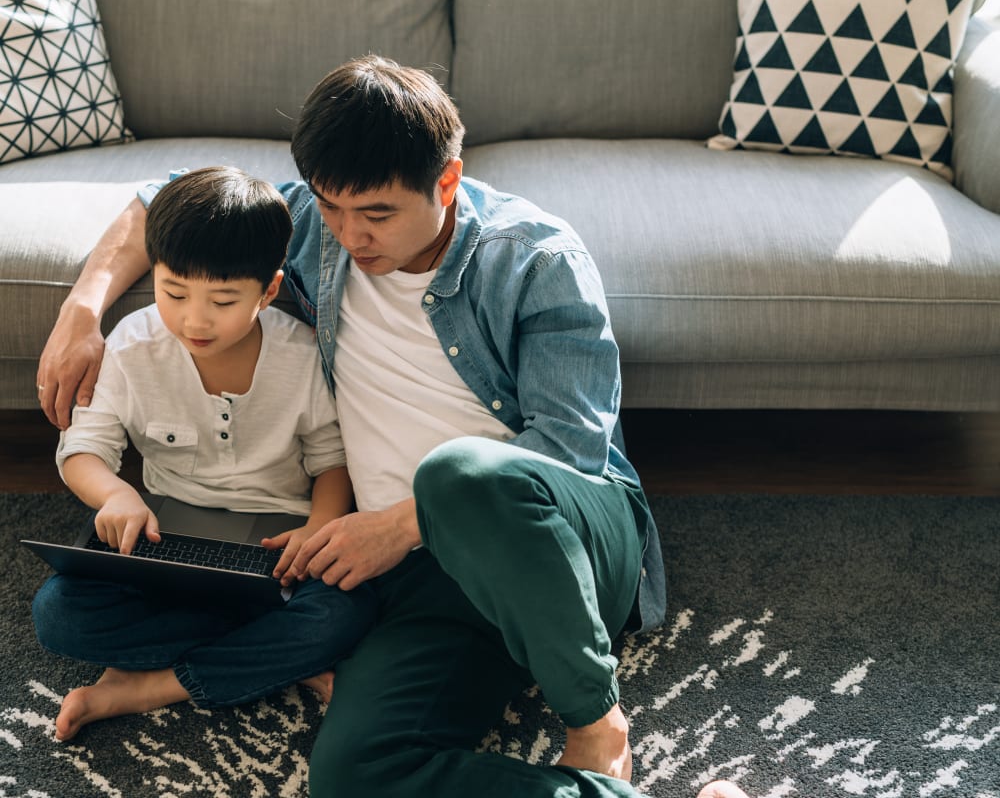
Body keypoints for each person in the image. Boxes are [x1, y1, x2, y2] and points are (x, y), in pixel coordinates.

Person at [37, 56, 669, 795]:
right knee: (352, 776)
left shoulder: (534, 259)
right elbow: (159, 200)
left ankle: (594, 717)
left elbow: (570, 451)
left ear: (448, 182)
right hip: (417, 576)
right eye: (331, 208)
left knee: (458, 475)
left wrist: (398, 526)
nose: (348, 235)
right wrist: (80, 312)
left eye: (375, 214)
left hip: (554, 539)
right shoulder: (316, 224)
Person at [31, 166, 376, 743]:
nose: (194, 319)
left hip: (282, 546)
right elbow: (83, 450)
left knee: (348, 609)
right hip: (169, 543)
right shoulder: (132, 346)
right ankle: (280, 653)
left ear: (267, 291)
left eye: (222, 300)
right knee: (59, 615)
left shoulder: (300, 354)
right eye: (173, 292)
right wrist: (116, 494)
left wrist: (319, 527)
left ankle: (150, 685)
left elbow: (331, 460)